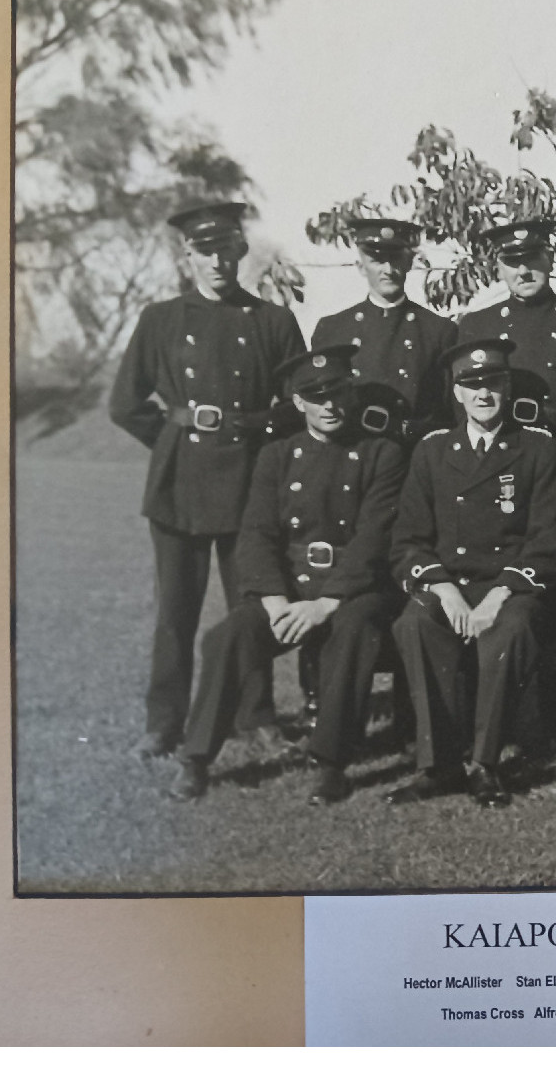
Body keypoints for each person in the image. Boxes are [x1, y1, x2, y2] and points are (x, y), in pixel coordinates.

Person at [109, 201, 306, 758]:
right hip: (180, 484)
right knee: (175, 610)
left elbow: (300, 404)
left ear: (241, 251)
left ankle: (257, 716)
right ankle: (164, 723)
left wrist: (251, 430)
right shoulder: (161, 319)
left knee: (251, 605)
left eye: (226, 249)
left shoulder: (272, 320)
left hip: (249, 482)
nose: (217, 261)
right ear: (186, 255)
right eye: (204, 251)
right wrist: (176, 433)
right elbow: (124, 403)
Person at [169, 344, 406, 804]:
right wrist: (275, 601)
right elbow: (255, 535)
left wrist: (326, 602)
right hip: (290, 587)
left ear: (350, 393)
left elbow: (373, 539)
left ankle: (331, 762)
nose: (329, 404)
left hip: (352, 589)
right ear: (298, 402)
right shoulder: (277, 455)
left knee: (353, 630)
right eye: (315, 395)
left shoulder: (382, 453)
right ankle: (194, 759)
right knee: (228, 635)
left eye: (337, 391)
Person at [386, 338, 556, 809]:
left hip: (511, 585)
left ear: (506, 388)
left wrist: (498, 596)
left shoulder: (537, 448)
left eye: (492, 383)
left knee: (510, 632)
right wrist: (444, 590)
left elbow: (547, 538)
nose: (483, 394)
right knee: (414, 623)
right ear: (457, 393)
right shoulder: (431, 451)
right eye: (472, 385)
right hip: (450, 582)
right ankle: (439, 763)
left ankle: (485, 764)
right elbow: (408, 539)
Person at [457, 218, 556, 452]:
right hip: (498, 454)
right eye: (513, 262)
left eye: (531, 259)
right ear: (500, 268)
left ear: (550, 260)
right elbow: (460, 405)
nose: (523, 272)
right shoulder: (477, 325)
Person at [312, 216, 457, 451]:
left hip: (413, 454)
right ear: (361, 267)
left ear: (410, 262)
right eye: (377, 260)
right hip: (352, 453)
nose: (388, 270)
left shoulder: (438, 330)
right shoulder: (332, 329)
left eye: (396, 259)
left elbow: (449, 410)